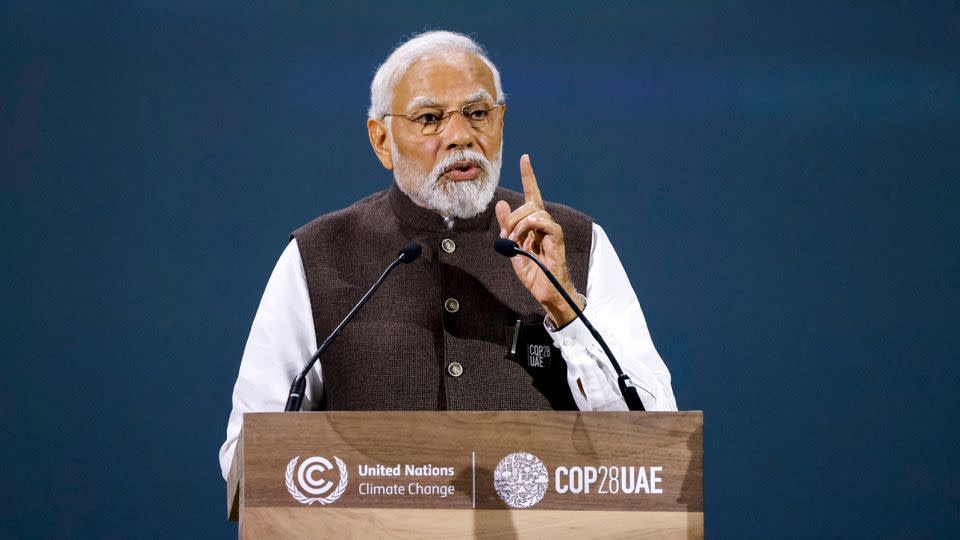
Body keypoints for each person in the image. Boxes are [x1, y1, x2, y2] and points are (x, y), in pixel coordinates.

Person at [219, 30, 677, 480]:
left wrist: (565, 307)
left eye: (477, 113)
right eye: (430, 118)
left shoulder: (573, 242)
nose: (459, 136)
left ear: (500, 122)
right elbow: (248, 452)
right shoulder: (319, 253)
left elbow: (653, 438)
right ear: (382, 140)